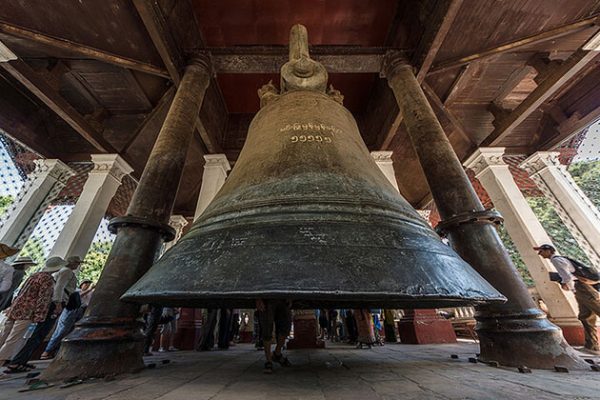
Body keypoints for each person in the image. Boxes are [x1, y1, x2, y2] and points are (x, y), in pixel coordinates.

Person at [5, 256, 77, 372]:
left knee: (36, 334)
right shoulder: (64, 273)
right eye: (77, 262)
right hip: (54, 304)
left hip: (41, 305)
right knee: (39, 334)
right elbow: (57, 289)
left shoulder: (39, 275)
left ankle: (21, 360)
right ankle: (17, 361)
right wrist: (58, 303)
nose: (78, 265)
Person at [535, 244, 600, 355]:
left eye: (541, 251)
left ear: (549, 251)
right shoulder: (560, 259)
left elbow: (567, 277)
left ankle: (592, 345)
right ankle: (592, 346)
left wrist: (568, 287)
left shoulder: (556, 260)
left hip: (582, 289)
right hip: (580, 289)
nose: (540, 254)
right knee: (585, 316)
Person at [41, 278, 94, 359]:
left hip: (81, 311)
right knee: (61, 331)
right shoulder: (76, 291)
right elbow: (79, 296)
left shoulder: (90, 294)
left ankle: (58, 352)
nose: (87, 285)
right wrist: (89, 290)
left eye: (88, 283)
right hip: (71, 311)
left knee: (71, 332)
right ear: (81, 285)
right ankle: (47, 351)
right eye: (85, 283)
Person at [256, 299, 292, 374]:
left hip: (283, 298)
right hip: (267, 298)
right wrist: (258, 298)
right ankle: (268, 360)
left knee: (286, 327)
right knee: (266, 329)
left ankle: (277, 353)